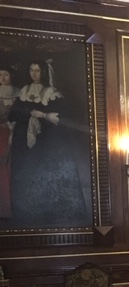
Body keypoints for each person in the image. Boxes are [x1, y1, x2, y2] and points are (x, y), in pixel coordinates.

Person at [7, 59, 88, 227]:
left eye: (37, 70)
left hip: (46, 141)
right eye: (31, 70)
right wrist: (30, 114)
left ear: (43, 72)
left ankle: (49, 213)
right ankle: (26, 214)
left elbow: (63, 116)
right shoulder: (24, 91)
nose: (34, 74)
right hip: (24, 141)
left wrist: (43, 115)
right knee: (26, 173)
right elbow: (13, 113)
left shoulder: (52, 92)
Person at [0, 65, 19, 218]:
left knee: (9, 167)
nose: (2, 78)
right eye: (0, 75)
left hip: (12, 133)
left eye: (5, 74)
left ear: (11, 75)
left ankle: (10, 209)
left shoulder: (19, 92)